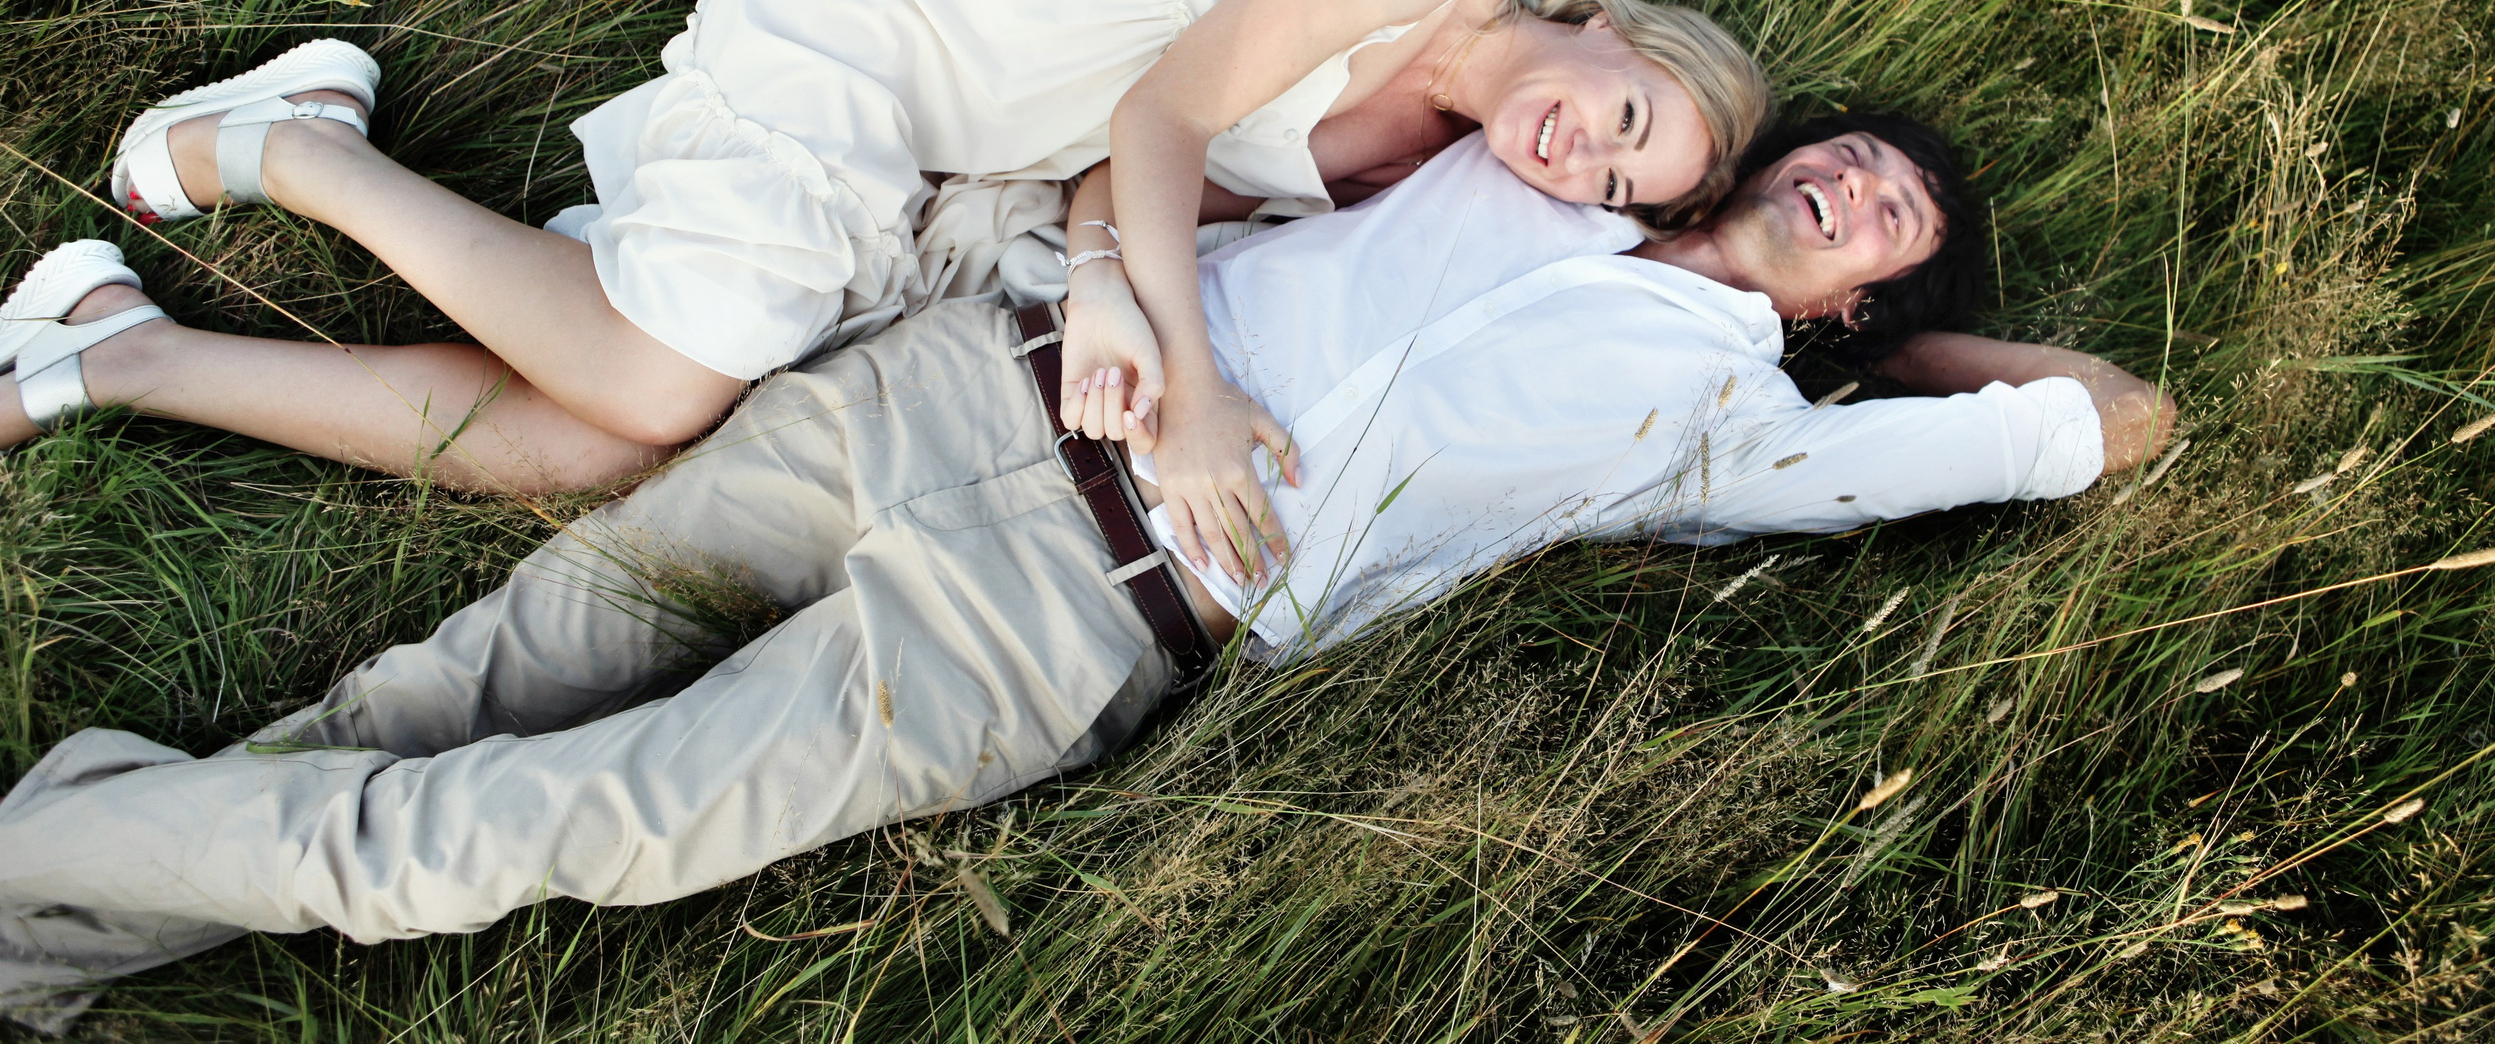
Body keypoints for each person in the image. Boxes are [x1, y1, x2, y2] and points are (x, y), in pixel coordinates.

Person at [0, 114, 2174, 1032]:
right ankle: (47, 921)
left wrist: (1883, 345)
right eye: (1856, 154)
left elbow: (2117, 417)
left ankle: (35, 869)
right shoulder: (1556, 164)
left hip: (1059, 624)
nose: (1860, 182)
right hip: (957, 386)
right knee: (441, 691)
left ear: (1867, 302)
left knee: (535, 825)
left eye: (1894, 215)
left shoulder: (1750, 434)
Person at [0, 0, 1767, 504]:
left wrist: (1108, 296)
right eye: (1625, 116)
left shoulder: (1397, 166)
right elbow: (1160, 119)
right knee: (660, 377)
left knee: (609, 447)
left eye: (1617, 189)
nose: (1581, 157)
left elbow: (1121, 186)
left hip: (948, 136)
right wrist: (1201, 385)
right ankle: (301, 151)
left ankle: (120, 355)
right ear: (1605, 29)